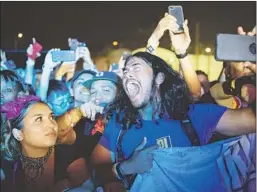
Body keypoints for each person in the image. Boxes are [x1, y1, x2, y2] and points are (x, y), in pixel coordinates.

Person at [90, 51, 255, 191]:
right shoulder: (119, 123)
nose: (127, 74)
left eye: (136, 67)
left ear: (159, 78)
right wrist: (126, 167)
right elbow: (95, 171)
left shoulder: (193, 116)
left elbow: (252, 121)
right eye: (125, 71)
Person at [0, 95, 97, 192]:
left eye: (51, 117)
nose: (51, 125)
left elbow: (86, 186)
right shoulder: (7, 164)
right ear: (18, 134)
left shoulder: (68, 154)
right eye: (39, 119)